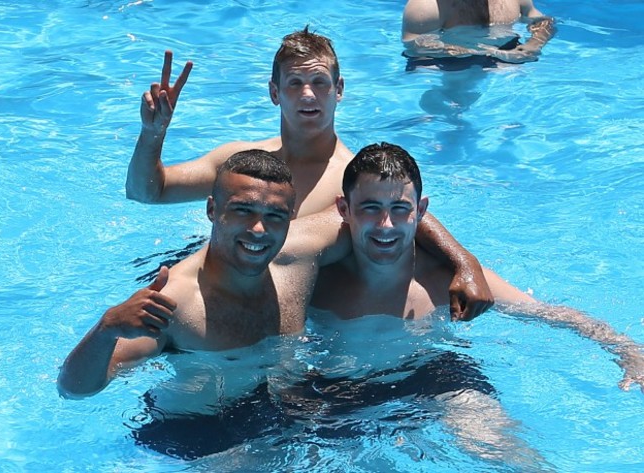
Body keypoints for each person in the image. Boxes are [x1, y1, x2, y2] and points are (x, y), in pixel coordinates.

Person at [124, 26, 494, 321]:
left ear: (339, 91)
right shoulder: (240, 163)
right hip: (218, 280)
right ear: (274, 92)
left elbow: (403, 214)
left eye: (319, 83)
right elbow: (147, 192)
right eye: (295, 83)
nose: (307, 95)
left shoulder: (350, 175)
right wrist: (152, 132)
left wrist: (465, 263)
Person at [310, 142, 644, 393]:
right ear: (344, 208)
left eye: (400, 208)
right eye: (370, 207)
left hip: (431, 374)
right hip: (339, 386)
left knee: (495, 444)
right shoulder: (316, 280)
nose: (386, 225)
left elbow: (547, 313)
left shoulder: (447, 278)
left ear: (421, 210)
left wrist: (626, 349)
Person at [57, 149, 351, 400]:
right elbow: (74, 389)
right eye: (243, 211)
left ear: (292, 218)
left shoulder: (302, 256)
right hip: (198, 433)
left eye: (274, 215)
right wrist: (106, 329)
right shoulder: (176, 302)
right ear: (212, 209)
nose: (259, 229)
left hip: (283, 408)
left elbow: (372, 212)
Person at [402, 0, 556, 68]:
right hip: (446, 66)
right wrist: (480, 51)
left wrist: (534, 44)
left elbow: (541, 21)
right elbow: (415, 47)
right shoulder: (426, 5)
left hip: (505, 58)